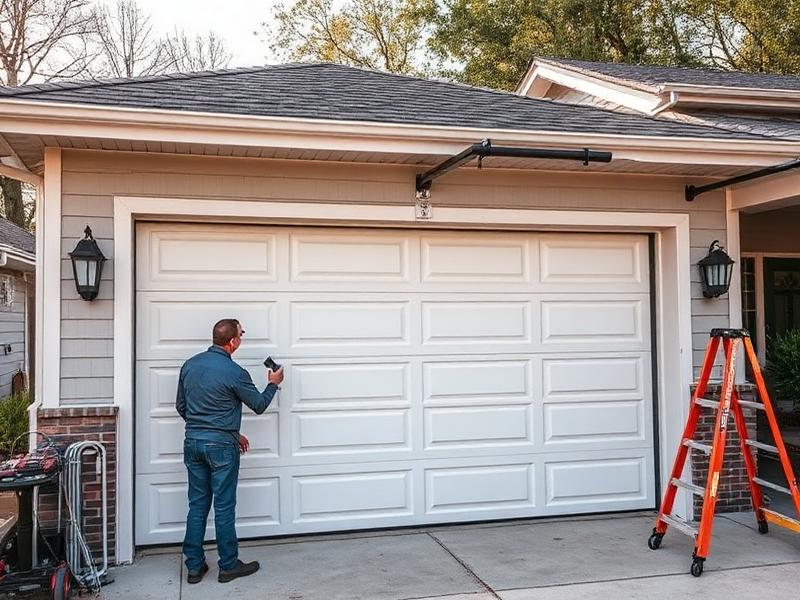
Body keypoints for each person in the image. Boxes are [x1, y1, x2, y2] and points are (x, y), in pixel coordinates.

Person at [175, 318, 284, 584]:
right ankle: (228, 565)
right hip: (221, 448)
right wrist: (273, 383)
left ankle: (194, 567)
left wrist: (228, 432)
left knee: (197, 505)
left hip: (193, 443)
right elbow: (258, 404)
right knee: (224, 507)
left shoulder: (189, 365)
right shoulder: (235, 372)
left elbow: (181, 407)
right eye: (241, 334)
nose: (242, 338)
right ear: (233, 341)